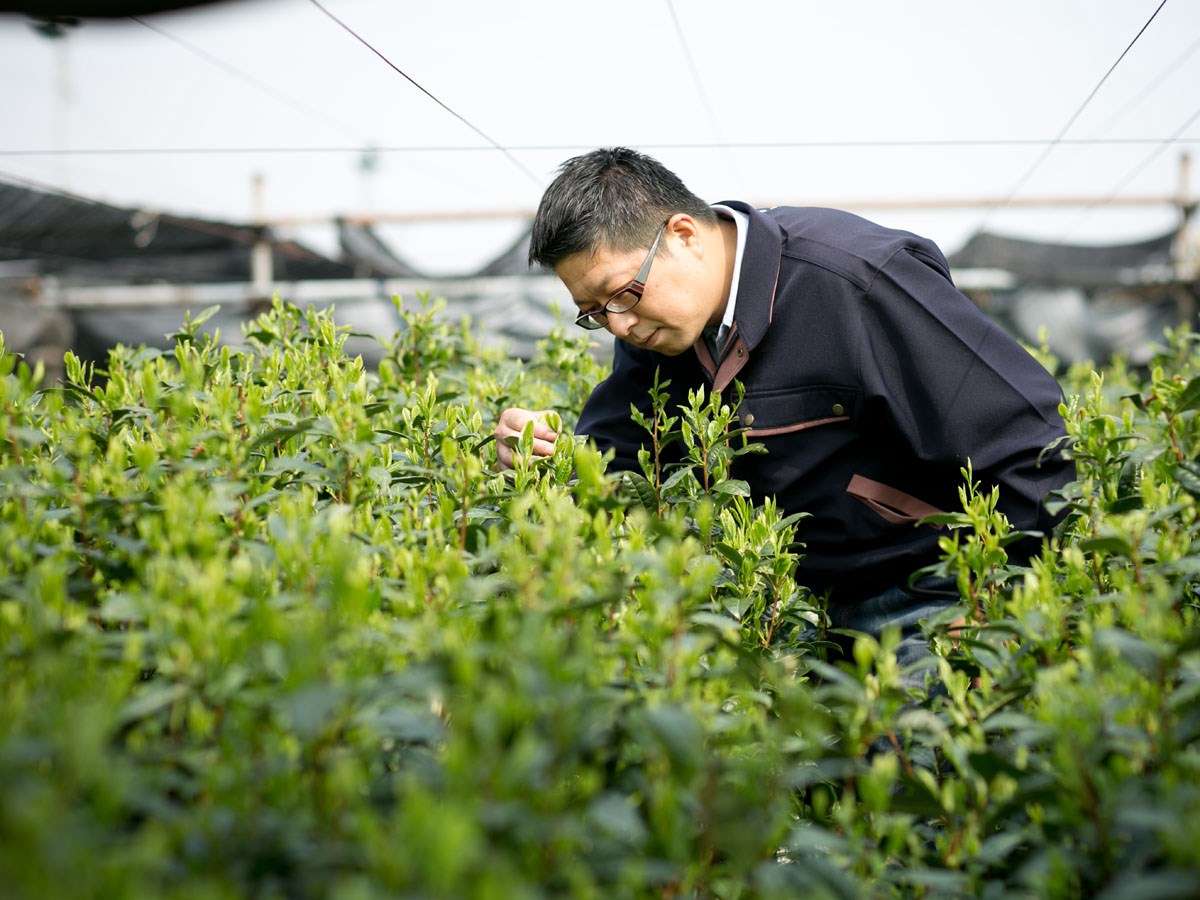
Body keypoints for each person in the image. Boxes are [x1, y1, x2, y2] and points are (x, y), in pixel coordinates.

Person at [494, 147, 1075, 684]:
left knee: (909, 768)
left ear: (684, 234)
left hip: (924, 593)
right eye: (593, 312)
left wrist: (996, 601)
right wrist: (544, 454)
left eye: (620, 295)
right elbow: (617, 459)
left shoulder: (855, 280)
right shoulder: (655, 332)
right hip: (783, 604)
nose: (617, 325)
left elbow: (1034, 447)